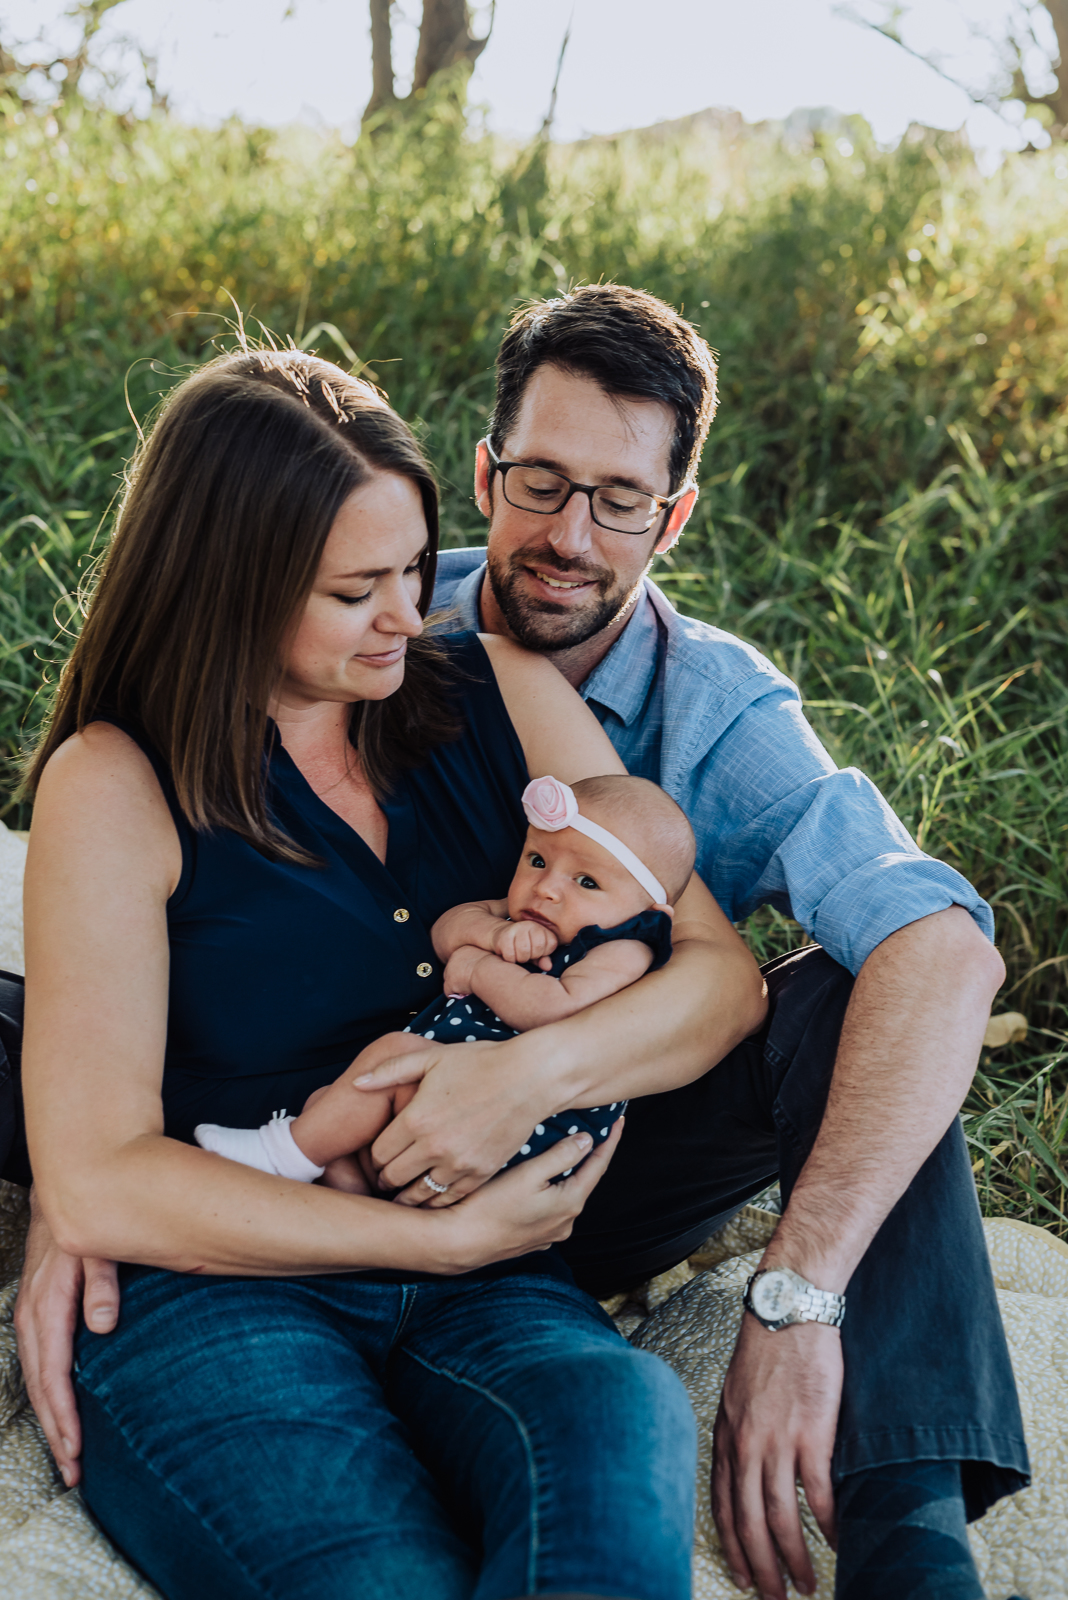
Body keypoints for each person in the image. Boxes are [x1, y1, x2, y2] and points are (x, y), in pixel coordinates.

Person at [14, 289, 1026, 1599]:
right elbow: (103, 1158)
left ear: (672, 515)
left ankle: (913, 1543)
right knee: (375, 1567)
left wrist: (530, 1091)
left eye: (618, 500)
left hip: (526, 1211)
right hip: (254, 1269)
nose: (405, 612)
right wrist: (86, 1195)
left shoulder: (525, 687)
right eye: (356, 588)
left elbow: (793, 965)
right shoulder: (144, 764)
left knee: (626, 1424)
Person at [193, 772, 694, 1185]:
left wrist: (479, 967)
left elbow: (555, 1008)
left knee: (390, 1059)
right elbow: (447, 930)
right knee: (330, 1104)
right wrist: (494, 934)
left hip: (524, 1124)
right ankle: (337, 1189)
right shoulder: (525, 916)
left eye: (586, 882)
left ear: (647, 909)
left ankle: (277, 1159)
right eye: (538, 860)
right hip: (453, 1091)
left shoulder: (624, 948)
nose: (546, 889)